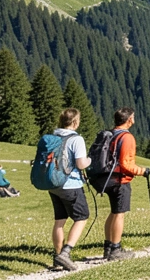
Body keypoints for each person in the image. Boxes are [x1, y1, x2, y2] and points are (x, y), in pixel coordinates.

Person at [95, 107, 149, 262]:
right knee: (119, 213)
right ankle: (116, 250)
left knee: (113, 212)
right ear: (129, 119)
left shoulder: (110, 134)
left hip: (107, 178)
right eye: (133, 117)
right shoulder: (127, 137)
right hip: (120, 180)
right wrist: (142, 171)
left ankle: (108, 247)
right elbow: (126, 164)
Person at [45, 108, 92, 271]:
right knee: (82, 217)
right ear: (75, 122)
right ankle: (65, 253)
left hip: (53, 184)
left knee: (60, 220)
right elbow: (80, 164)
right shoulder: (76, 139)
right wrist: (90, 160)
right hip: (70, 184)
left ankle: (57, 257)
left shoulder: (52, 136)